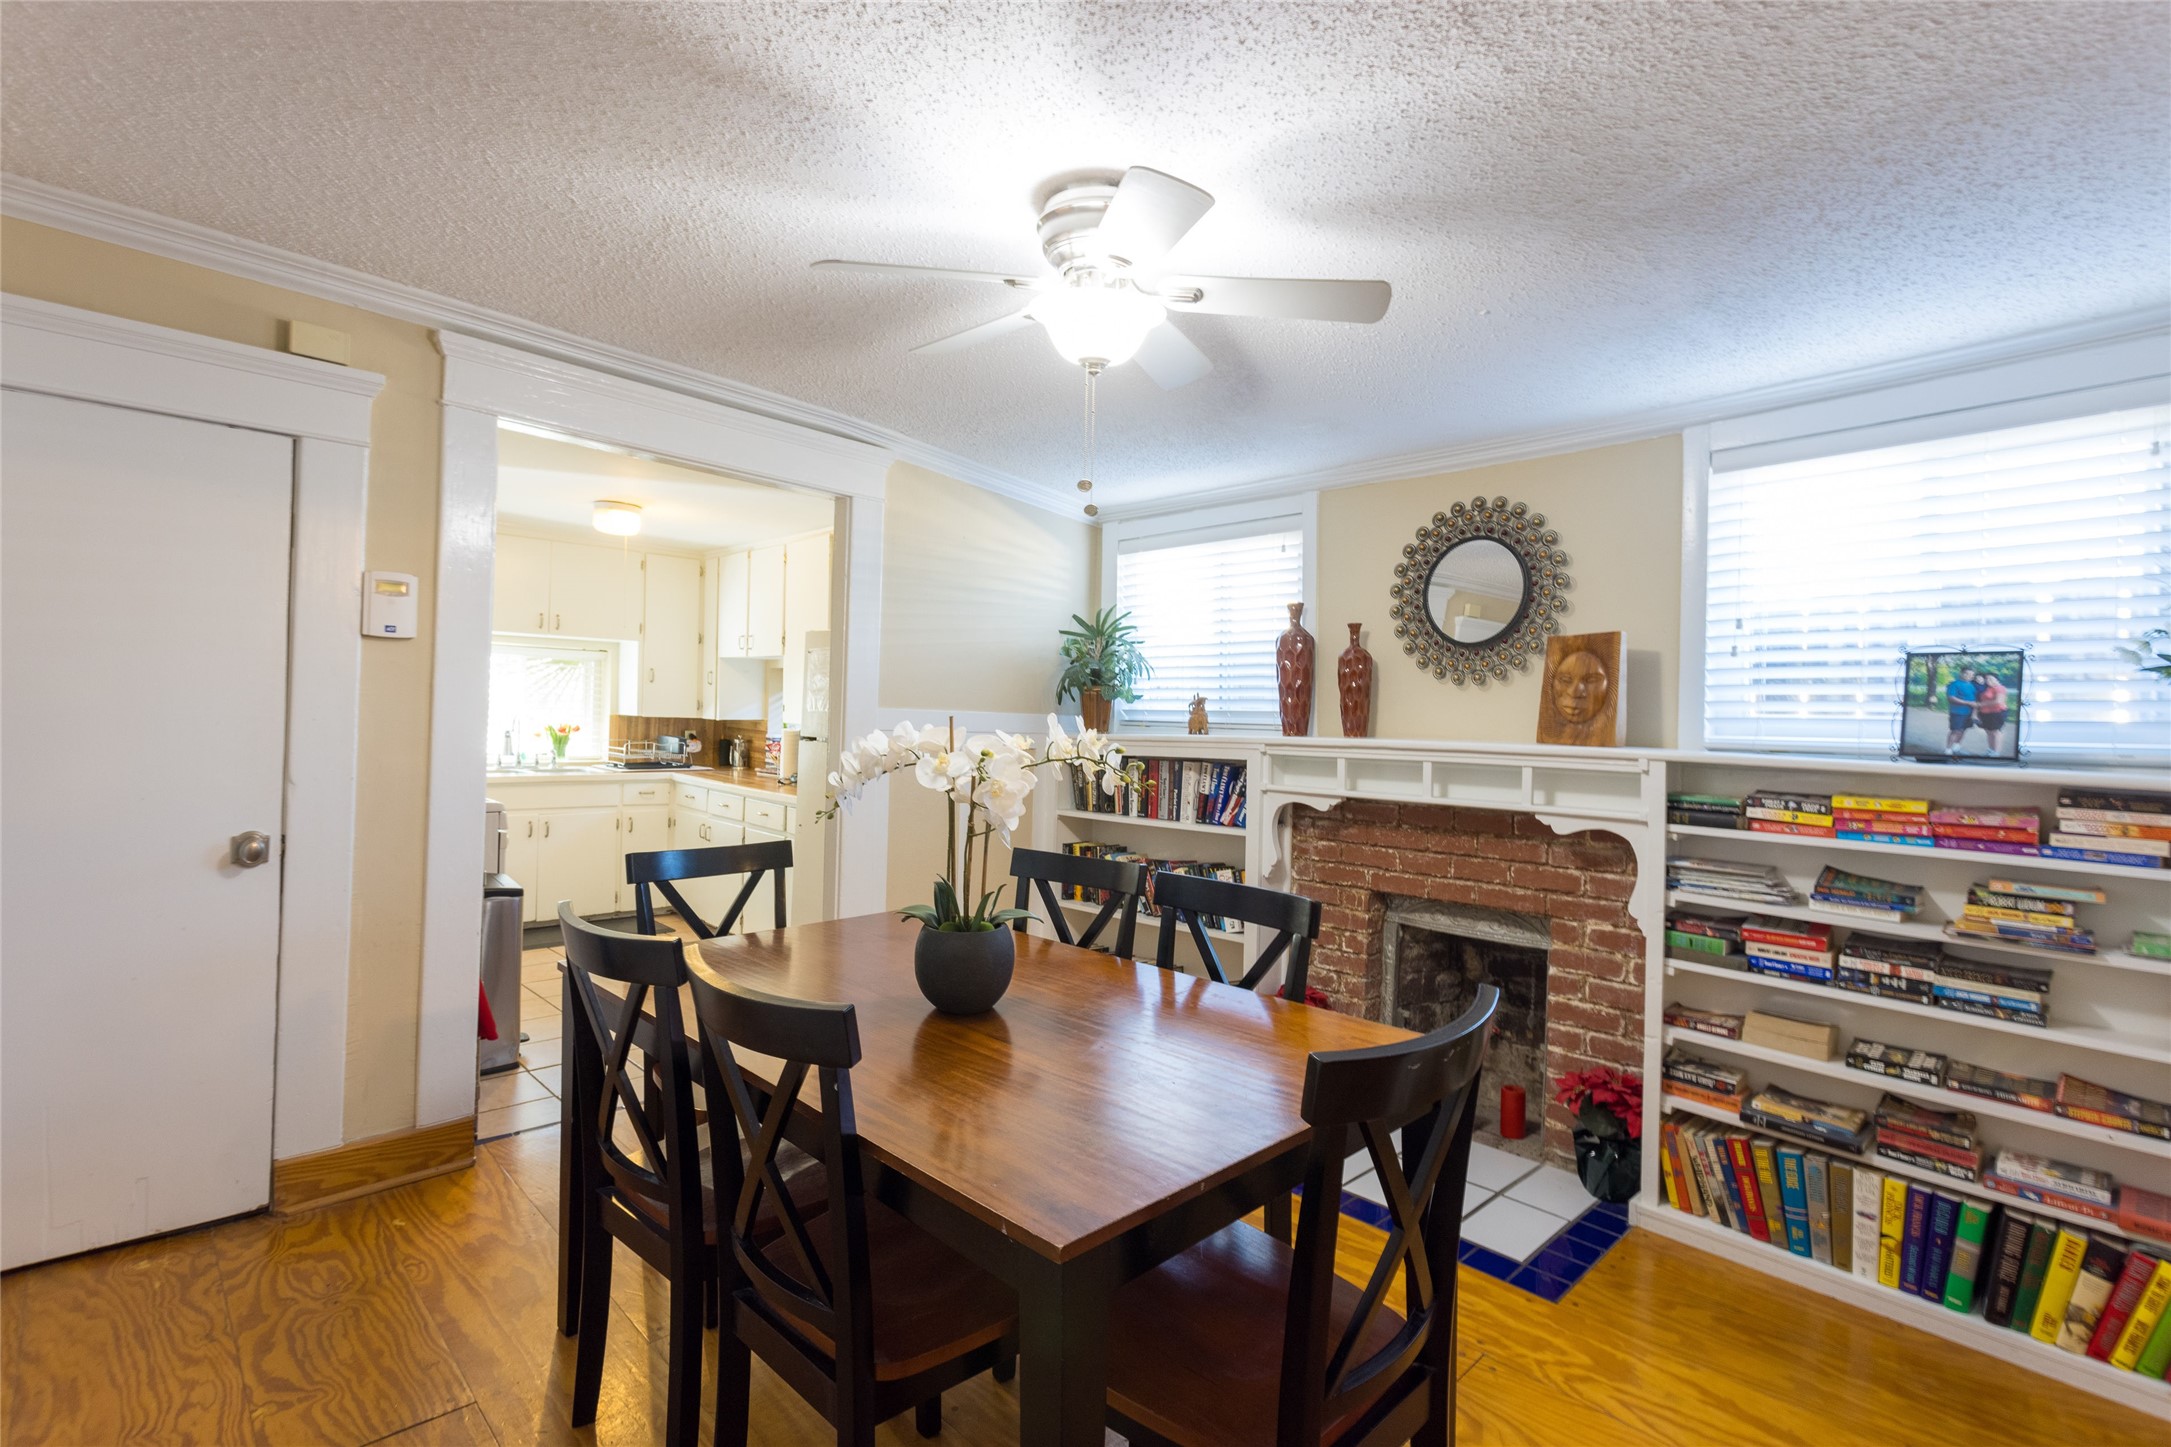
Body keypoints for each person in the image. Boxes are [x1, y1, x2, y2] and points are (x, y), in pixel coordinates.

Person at [1974, 669, 2011, 755]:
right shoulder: (1988, 688)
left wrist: (1980, 704)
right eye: (1986, 679)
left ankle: (1996, 752)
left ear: (1997, 680)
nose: (1988, 681)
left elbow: (1998, 701)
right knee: (1989, 732)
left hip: (1997, 713)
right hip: (1986, 714)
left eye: (1991, 679)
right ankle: (1990, 750)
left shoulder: (2000, 688)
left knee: (1996, 732)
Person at [1943, 666, 1979, 754]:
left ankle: (1956, 747)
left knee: (1963, 730)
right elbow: (1951, 698)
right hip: (1957, 712)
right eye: (1967, 674)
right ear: (1961, 674)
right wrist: (1968, 703)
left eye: (1972, 675)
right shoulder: (1954, 684)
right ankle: (1948, 750)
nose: (1970, 676)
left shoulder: (1972, 685)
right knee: (1955, 731)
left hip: (1969, 713)